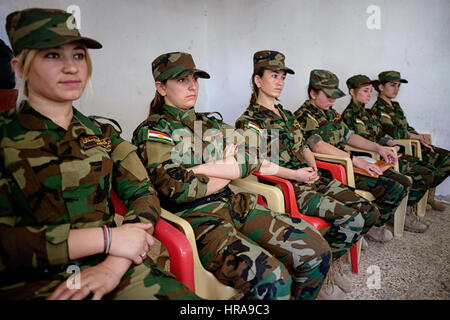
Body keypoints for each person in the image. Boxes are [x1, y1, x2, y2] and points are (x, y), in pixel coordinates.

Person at [0, 8, 199, 300]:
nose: (71, 67)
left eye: (78, 55)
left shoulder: (102, 134)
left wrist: (114, 265)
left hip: (115, 268)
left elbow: (144, 193)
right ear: (20, 67)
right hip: (29, 281)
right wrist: (107, 238)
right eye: (52, 55)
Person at [132, 51, 332, 300]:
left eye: (194, 79)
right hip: (198, 219)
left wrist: (201, 169)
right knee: (275, 279)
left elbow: (253, 156)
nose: (193, 86)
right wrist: (227, 166)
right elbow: (177, 187)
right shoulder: (154, 130)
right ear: (161, 87)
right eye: (182, 80)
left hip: (236, 205)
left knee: (318, 252)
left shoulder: (209, 123)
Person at [234, 50, 381, 298]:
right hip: (288, 188)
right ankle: (321, 277)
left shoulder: (287, 114)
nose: (280, 82)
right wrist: (295, 175)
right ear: (258, 80)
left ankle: (329, 266)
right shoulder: (249, 121)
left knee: (368, 211)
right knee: (352, 219)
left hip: (310, 178)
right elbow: (256, 164)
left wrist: (311, 167)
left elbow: (303, 146)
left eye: (283, 76)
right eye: (274, 76)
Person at [294, 70, 411, 243]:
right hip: (332, 170)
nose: (332, 100)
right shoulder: (304, 116)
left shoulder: (331, 113)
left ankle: (368, 227)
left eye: (334, 96)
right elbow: (318, 145)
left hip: (348, 163)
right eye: (328, 95)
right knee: (392, 188)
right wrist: (356, 160)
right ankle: (367, 228)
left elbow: (349, 137)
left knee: (402, 182)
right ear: (313, 93)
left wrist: (378, 148)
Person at [341, 74, 432, 233]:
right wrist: (381, 150)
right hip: (366, 159)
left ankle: (397, 212)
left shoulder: (369, 113)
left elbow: (380, 134)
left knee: (420, 173)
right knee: (402, 182)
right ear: (352, 92)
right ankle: (378, 222)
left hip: (381, 156)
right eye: (365, 91)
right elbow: (352, 142)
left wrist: (391, 145)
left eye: (370, 91)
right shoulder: (348, 116)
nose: (369, 95)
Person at [371, 71, 449, 211]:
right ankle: (409, 205)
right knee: (429, 170)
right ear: (381, 87)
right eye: (392, 85)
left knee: (447, 158)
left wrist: (421, 138)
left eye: (398, 86)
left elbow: (407, 127)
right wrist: (416, 138)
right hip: (403, 148)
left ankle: (427, 195)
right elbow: (393, 133)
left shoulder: (396, 106)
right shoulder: (378, 108)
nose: (396, 89)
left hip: (415, 145)